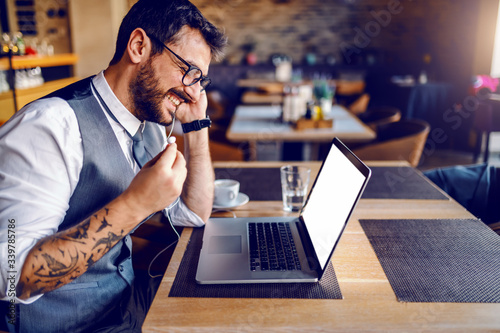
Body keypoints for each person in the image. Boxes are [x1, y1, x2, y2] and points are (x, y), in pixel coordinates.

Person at [0, 0, 226, 331]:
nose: (193, 93)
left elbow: (191, 213)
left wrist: (197, 126)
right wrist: (136, 204)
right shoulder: (49, 126)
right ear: (138, 46)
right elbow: (12, 276)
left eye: (200, 80)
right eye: (188, 71)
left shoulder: (149, 120)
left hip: (125, 305)